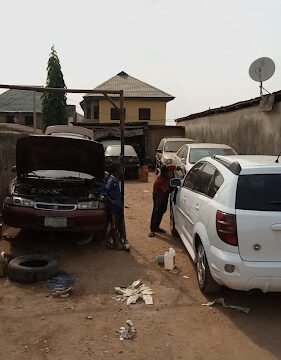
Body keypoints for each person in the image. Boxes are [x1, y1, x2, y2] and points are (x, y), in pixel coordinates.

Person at [101, 162, 125, 249]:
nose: (122, 171)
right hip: (113, 208)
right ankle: (116, 244)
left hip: (117, 207)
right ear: (116, 170)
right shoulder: (111, 180)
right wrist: (111, 200)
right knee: (114, 226)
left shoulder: (115, 179)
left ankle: (106, 241)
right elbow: (103, 191)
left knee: (117, 226)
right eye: (120, 169)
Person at [148, 164, 176, 237]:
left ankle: (156, 227)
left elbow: (173, 167)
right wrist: (173, 187)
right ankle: (152, 229)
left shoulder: (166, 176)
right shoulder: (160, 180)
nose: (170, 173)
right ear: (165, 173)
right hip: (159, 196)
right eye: (168, 172)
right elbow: (166, 190)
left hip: (163, 196)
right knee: (156, 211)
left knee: (162, 210)